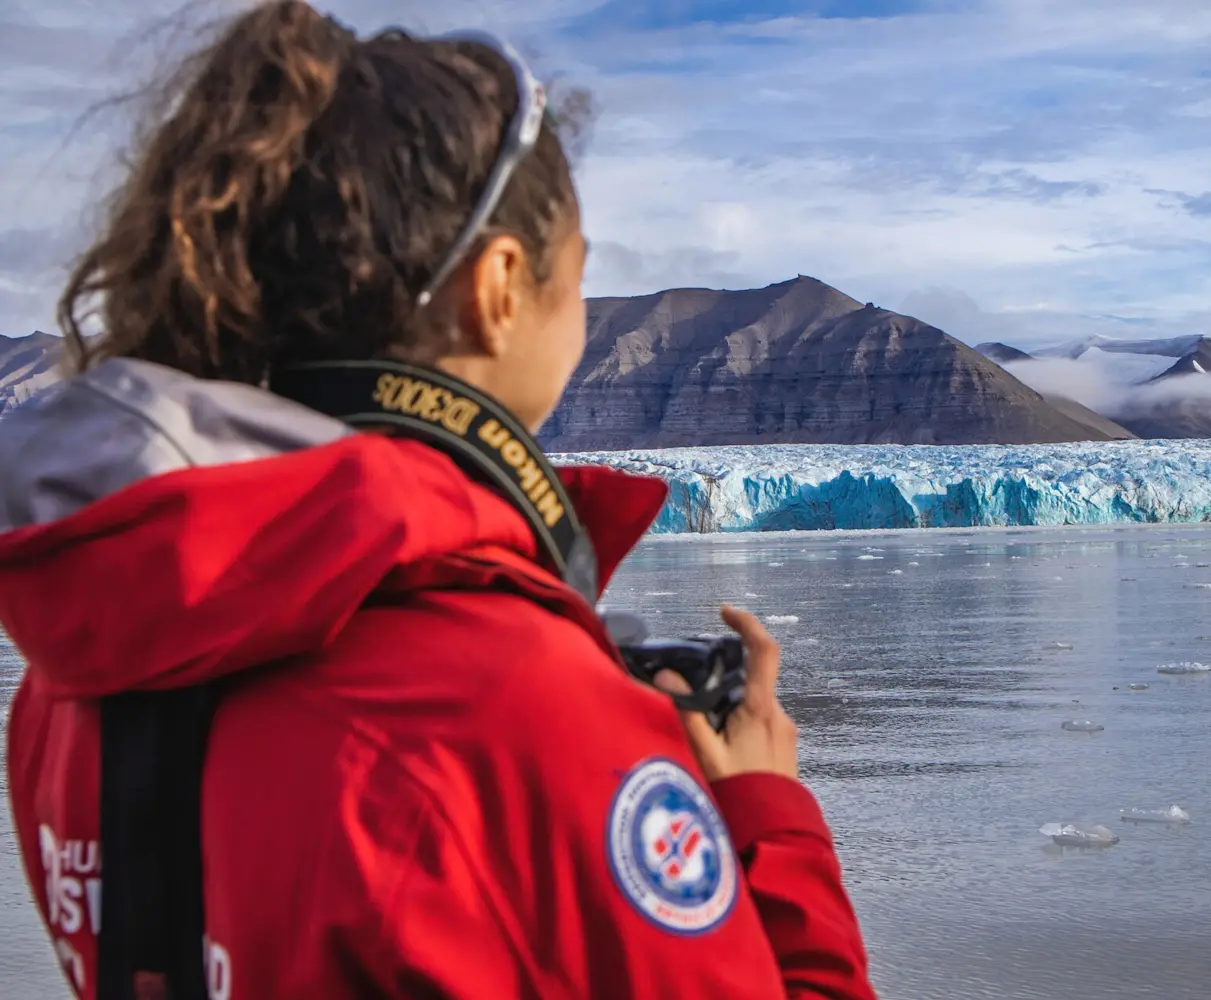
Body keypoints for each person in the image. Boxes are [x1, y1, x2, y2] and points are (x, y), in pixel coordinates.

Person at [0, 3, 878, 999]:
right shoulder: (508, 706)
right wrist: (767, 814)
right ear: (501, 285)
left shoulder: (76, 683)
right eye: (579, 275)